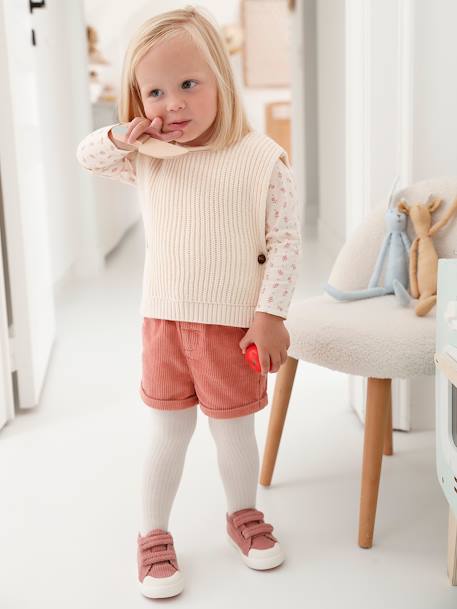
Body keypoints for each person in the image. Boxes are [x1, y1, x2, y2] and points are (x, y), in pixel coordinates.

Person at [76, 5, 302, 600]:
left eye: (188, 85)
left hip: (233, 326)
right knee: (168, 433)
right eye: (154, 91)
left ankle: (243, 515)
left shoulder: (262, 160)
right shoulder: (149, 159)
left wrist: (270, 313)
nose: (171, 103)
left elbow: (283, 242)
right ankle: (152, 533)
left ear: (220, 81)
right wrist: (127, 133)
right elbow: (88, 157)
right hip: (165, 323)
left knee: (233, 433)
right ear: (137, 98)